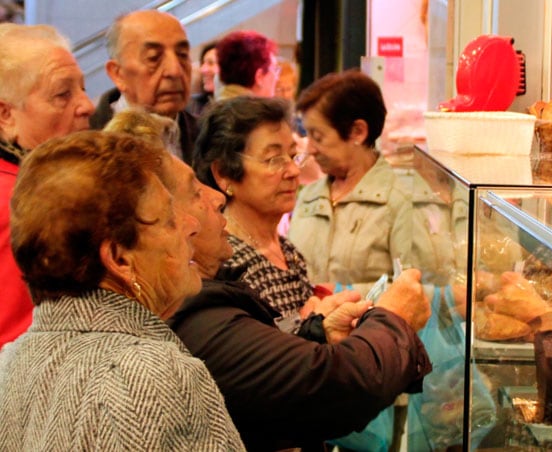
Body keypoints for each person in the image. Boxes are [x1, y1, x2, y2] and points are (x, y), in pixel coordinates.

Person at [164, 142, 432, 450]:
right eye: (273, 158)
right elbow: (329, 388)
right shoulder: (198, 311)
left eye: (292, 157)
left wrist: (318, 331)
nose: (215, 197)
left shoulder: (274, 254)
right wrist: (394, 319)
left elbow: (272, 362)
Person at [0, 131, 244, 450]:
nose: (191, 226)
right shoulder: (152, 373)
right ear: (119, 259)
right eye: (169, 219)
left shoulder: (10, 365)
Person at [0, 23, 95, 348]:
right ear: (5, 115)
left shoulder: (44, 182)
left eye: (83, 88)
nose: (87, 105)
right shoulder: (21, 201)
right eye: (63, 94)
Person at [193, 96, 316, 331]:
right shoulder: (225, 262)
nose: (292, 171)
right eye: (273, 159)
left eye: (292, 156)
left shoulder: (288, 251)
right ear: (223, 174)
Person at [288, 69, 413, 295]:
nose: (310, 150)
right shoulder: (309, 195)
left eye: (318, 137)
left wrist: (336, 293)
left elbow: (415, 291)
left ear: (358, 132)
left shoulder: (400, 201)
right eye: (308, 136)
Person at [89, 10, 197, 163]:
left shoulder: (211, 138)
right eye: (153, 58)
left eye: (182, 54)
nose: (175, 71)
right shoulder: (85, 142)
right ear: (117, 74)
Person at [215, 30, 279, 101]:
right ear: (259, 77)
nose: (277, 78)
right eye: (274, 69)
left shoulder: (212, 108)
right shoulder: (257, 111)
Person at [187, 40, 218, 116]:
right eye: (203, 63)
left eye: (211, 63)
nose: (203, 70)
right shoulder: (193, 106)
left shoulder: (243, 106)